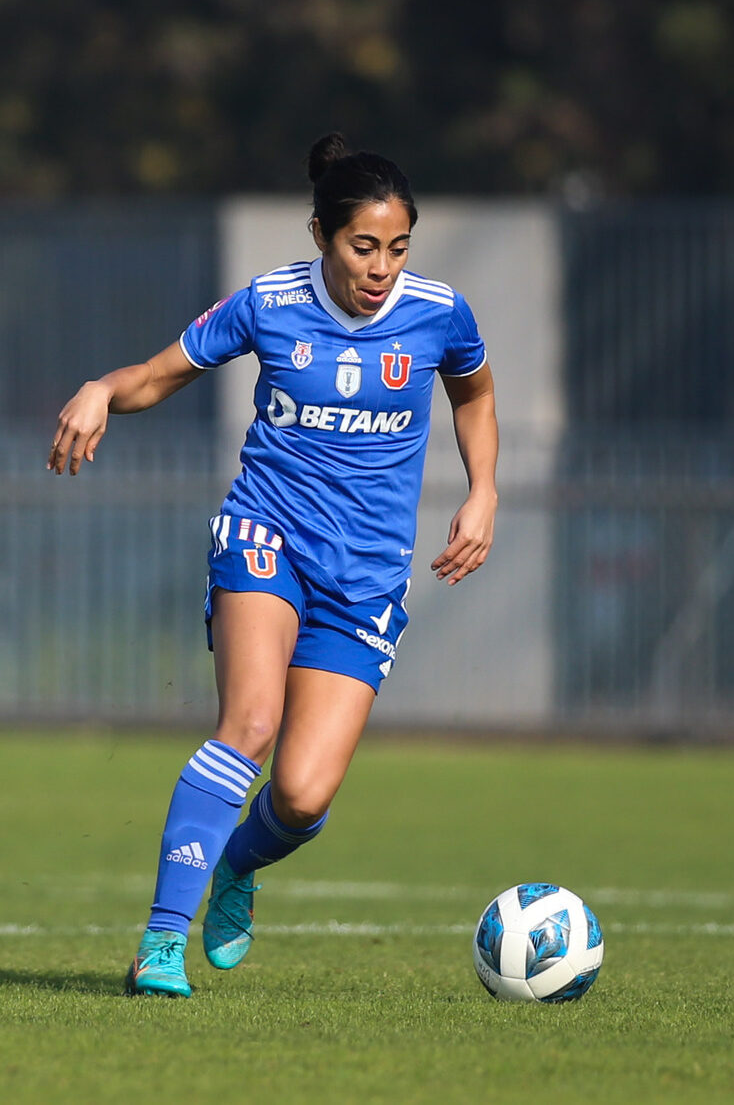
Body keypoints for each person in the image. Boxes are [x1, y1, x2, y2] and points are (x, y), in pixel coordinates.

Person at [49, 134, 500, 997]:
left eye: (397, 248)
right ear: (323, 235)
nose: (380, 267)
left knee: (300, 795)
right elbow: (156, 375)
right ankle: (161, 941)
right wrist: (104, 389)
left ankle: (239, 868)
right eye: (362, 246)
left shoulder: (442, 311)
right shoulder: (269, 302)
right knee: (248, 726)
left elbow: (472, 392)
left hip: (366, 575)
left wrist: (483, 491)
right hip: (267, 536)